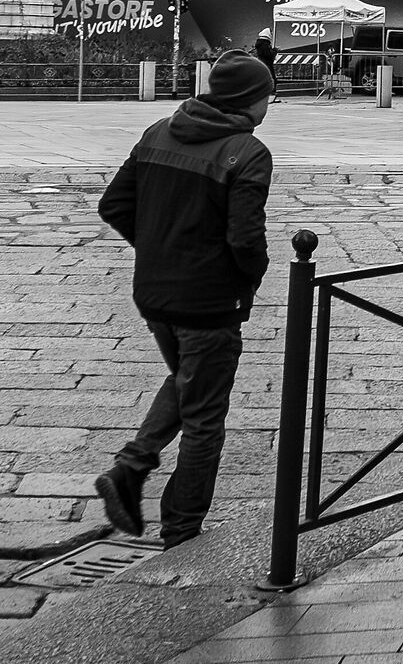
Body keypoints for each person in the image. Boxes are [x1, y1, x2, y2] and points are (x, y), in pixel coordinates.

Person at [93, 48, 274, 549]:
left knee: (188, 378)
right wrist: (249, 279)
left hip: (154, 294)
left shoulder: (158, 131)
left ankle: (131, 467)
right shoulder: (247, 152)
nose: (269, 105)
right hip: (208, 302)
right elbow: (245, 240)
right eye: (267, 96)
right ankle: (181, 532)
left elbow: (114, 204)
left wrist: (159, 250)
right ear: (249, 99)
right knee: (204, 420)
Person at [252, 26, 278, 93]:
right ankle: (270, 91)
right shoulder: (265, 44)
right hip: (267, 64)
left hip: (263, 63)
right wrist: (274, 51)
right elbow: (268, 54)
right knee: (270, 77)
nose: (272, 34)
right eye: (271, 33)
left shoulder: (261, 43)